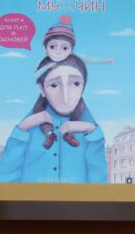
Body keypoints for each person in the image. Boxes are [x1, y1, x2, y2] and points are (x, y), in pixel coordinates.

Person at [0, 55, 109, 183]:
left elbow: (100, 186)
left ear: (84, 87)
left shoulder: (90, 130)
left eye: (76, 84)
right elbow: (2, 183)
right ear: (41, 89)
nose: (65, 98)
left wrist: (92, 132)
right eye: (54, 85)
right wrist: (22, 129)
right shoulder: (28, 127)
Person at [31, 16, 113, 149]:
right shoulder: (44, 63)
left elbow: (89, 58)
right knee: (38, 109)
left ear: (71, 49)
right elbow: (36, 75)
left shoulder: (75, 59)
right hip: (43, 96)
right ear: (45, 48)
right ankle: (49, 133)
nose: (58, 52)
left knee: (79, 108)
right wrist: (47, 67)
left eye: (64, 48)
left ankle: (69, 133)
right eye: (53, 46)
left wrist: (105, 61)